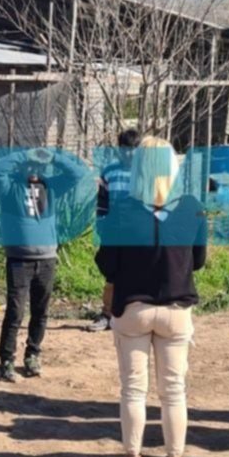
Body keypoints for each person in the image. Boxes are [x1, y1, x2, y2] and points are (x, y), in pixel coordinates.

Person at [94, 136, 206, 457]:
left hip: (133, 309)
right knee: (174, 393)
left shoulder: (124, 209)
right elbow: (199, 260)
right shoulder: (191, 207)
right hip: (176, 309)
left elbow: (107, 263)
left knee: (133, 391)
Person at [0, 146, 91, 382]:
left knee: (41, 312)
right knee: (15, 312)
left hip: (46, 260)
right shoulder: (10, 187)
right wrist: (24, 154)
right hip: (19, 260)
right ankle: (6, 361)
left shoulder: (51, 186)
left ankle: (32, 354)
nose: (34, 169)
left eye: (39, 165)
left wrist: (54, 157)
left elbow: (77, 174)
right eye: (30, 165)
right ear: (23, 166)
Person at [89, 129, 141, 332]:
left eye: (133, 149)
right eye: (125, 149)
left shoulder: (146, 173)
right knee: (111, 273)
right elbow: (102, 202)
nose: (129, 154)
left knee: (139, 272)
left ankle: (134, 315)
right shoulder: (109, 172)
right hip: (114, 231)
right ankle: (107, 314)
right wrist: (103, 225)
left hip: (139, 233)